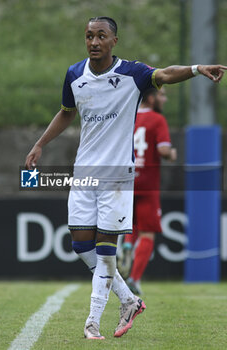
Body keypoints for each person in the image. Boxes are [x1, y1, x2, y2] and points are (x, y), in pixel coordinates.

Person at [25, 16, 227, 340]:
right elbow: (66, 112)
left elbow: (164, 74)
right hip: (83, 175)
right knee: (80, 245)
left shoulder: (133, 74)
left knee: (106, 252)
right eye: (89, 36)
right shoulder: (75, 75)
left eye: (101, 36)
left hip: (118, 177)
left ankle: (92, 321)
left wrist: (195, 68)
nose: (93, 42)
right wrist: (39, 144)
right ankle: (129, 300)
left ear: (113, 41)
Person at [118, 87, 177, 295]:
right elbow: (162, 150)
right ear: (151, 98)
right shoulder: (157, 120)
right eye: (162, 95)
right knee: (147, 233)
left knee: (131, 224)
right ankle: (134, 279)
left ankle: (125, 245)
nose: (165, 98)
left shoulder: (126, 117)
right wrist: (171, 154)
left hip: (125, 181)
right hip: (147, 183)